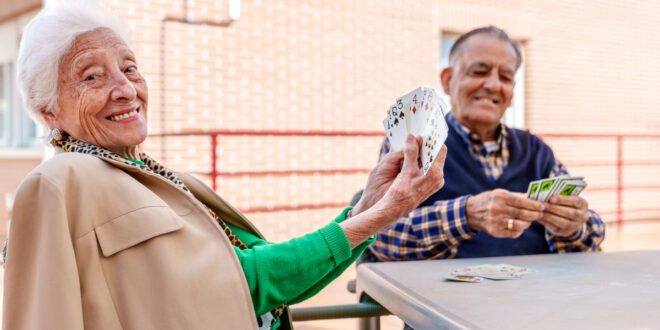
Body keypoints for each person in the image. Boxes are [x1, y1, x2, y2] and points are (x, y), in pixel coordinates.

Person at [2, 2, 447, 330]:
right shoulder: (60, 180)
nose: (124, 89)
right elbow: (249, 281)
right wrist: (378, 216)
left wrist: (370, 205)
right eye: (91, 76)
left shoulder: (155, 176)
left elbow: (263, 277)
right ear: (48, 111)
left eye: (130, 68)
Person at [368, 26, 605, 261]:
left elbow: (593, 235)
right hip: (444, 295)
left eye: (505, 77)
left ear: (512, 91)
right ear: (448, 80)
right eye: (479, 72)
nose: (493, 85)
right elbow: (379, 237)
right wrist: (466, 216)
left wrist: (572, 227)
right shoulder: (413, 143)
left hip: (536, 291)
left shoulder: (537, 151)